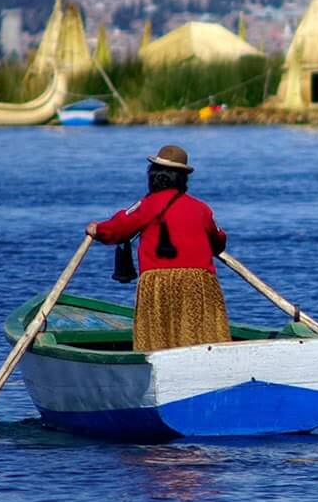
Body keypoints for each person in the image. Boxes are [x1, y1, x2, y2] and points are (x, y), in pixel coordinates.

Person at [86, 144, 230, 352]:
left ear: (152, 176)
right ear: (183, 178)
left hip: (158, 284)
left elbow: (118, 229)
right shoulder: (201, 208)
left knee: (159, 341)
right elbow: (219, 241)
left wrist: (97, 229)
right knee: (200, 335)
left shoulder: (146, 205)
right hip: (199, 284)